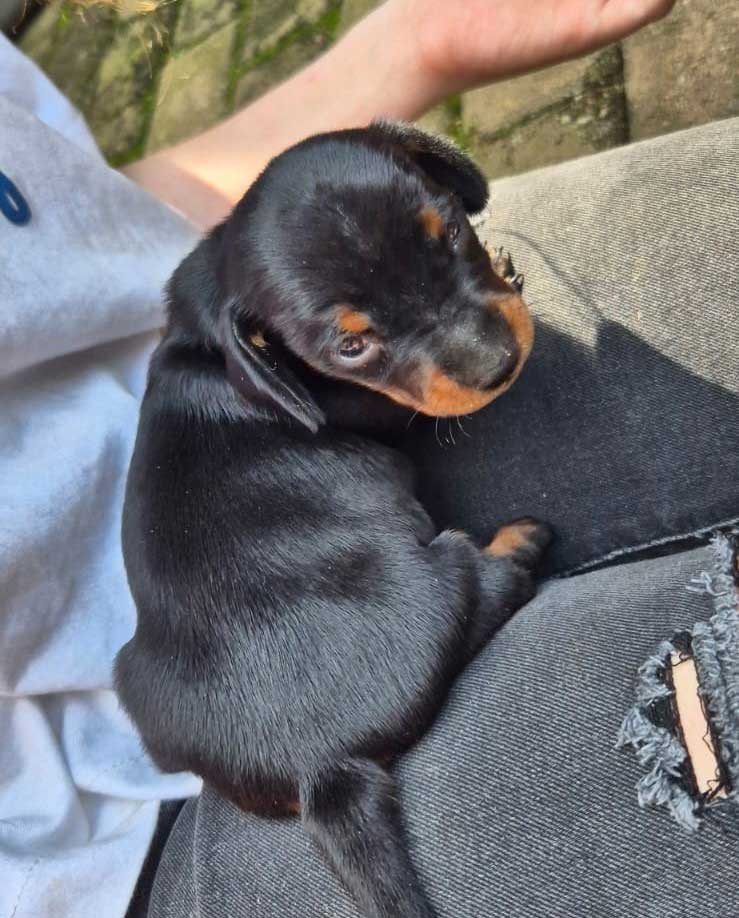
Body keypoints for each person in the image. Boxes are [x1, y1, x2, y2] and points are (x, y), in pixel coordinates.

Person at [0, 2, 736, 917]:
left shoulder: (281, 323)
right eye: (355, 345)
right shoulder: (264, 356)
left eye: (448, 230)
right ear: (263, 368)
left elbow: (75, 227)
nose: (483, 354)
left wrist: (416, 42)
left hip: (257, 366)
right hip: (140, 831)